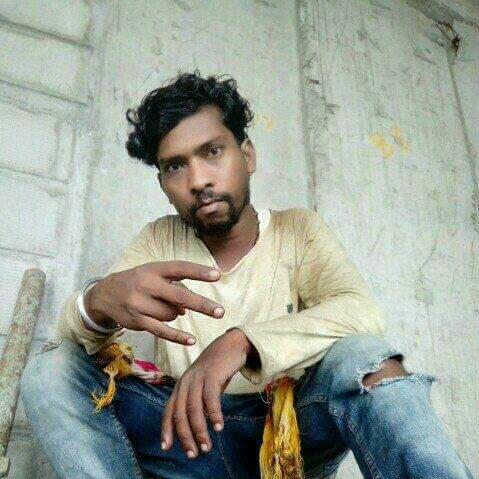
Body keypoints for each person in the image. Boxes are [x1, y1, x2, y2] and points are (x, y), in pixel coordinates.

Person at [20, 70, 473, 479]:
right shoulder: (158, 239)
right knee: (50, 370)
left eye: (212, 151)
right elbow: (73, 341)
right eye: (176, 166)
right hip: (187, 439)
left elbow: (361, 312)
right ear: (163, 185)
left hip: (289, 436)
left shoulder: (298, 230)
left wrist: (241, 343)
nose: (199, 180)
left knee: (367, 359)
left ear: (247, 155)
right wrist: (97, 300)